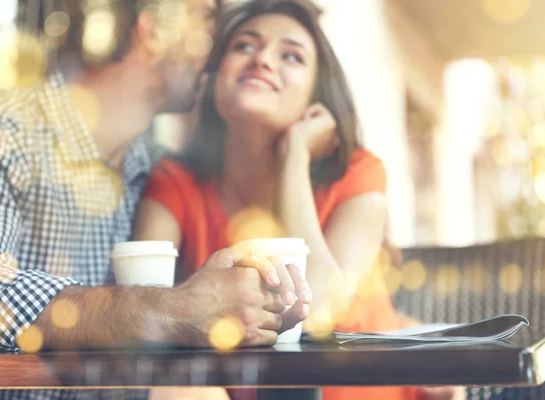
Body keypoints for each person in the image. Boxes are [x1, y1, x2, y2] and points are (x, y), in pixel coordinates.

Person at [0, 0, 312, 398]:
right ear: (154, 30)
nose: (218, 49)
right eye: (205, 18)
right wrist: (179, 310)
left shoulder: (158, 169)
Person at [135, 1, 466, 399]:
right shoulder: (176, 181)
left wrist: (294, 159)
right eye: (243, 46)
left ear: (317, 94)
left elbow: (319, 307)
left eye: (290, 55)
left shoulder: (359, 174)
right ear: (214, 76)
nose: (262, 60)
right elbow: (143, 307)